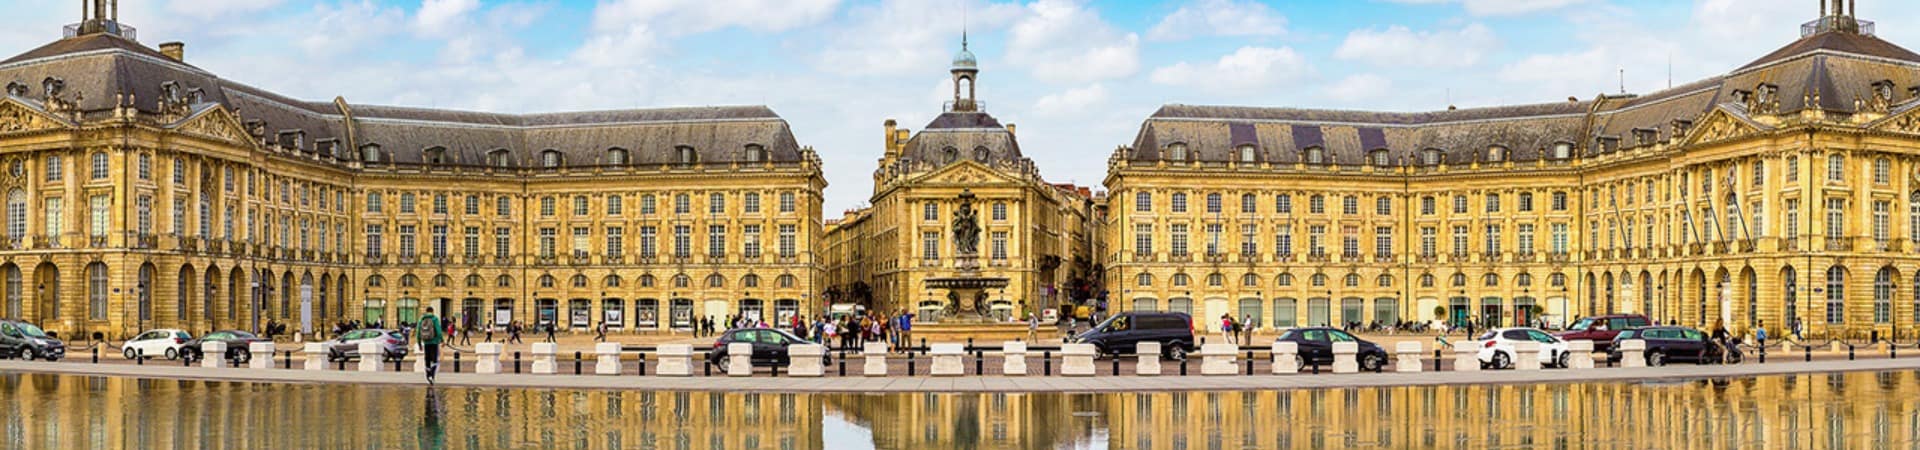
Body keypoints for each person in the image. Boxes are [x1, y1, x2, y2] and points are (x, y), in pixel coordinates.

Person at [417, 307, 444, 385]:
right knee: (434, 360)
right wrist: (441, 340)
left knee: (427, 360)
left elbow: (418, 332)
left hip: (426, 342)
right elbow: (438, 331)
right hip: (434, 342)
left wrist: (419, 343)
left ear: (426, 311)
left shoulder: (421, 319)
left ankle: (428, 375)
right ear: (433, 311)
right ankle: (432, 375)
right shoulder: (435, 319)